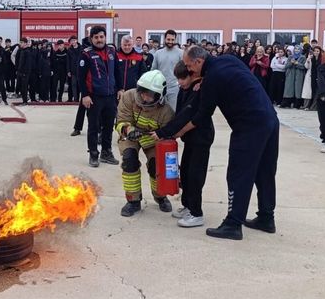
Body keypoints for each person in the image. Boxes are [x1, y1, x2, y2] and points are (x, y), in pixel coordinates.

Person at [181, 46, 278, 241]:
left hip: (249, 126)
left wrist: (178, 131)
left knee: (238, 173)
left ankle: (233, 224)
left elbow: (202, 115)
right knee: (264, 171)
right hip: (270, 119)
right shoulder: (228, 60)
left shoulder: (212, 79)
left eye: (189, 69)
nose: (188, 73)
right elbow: (231, 78)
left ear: (199, 62)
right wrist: (203, 80)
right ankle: (266, 217)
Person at [152, 61, 215, 228]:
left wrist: (162, 132)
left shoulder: (200, 90)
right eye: (178, 79)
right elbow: (179, 112)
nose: (180, 82)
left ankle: (196, 213)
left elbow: (186, 114)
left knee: (195, 175)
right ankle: (187, 205)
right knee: (185, 172)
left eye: (183, 78)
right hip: (190, 139)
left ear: (193, 75)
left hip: (201, 138)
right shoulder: (184, 89)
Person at [113, 70, 174, 216]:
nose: (145, 97)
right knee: (129, 160)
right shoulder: (128, 96)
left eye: (151, 94)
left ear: (160, 95)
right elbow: (120, 122)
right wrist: (128, 130)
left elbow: (168, 136)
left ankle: (160, 196)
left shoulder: (166, 111)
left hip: (153, 140)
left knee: (156, 166)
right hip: (131, 136)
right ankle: (133, 201)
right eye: (143, 92)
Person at [79, 26, 120, 167]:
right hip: (94, 97)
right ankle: (93, 154)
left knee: (109, 126)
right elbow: (80, 77)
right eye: (96, 37)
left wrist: (120, 89)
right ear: (91, 39)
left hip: (110, 96)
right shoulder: (86, 54)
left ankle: (106, 153)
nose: (99, 40)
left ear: (105, 37)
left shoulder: (112, 51)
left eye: (101, 37)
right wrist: (85, 95)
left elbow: (117, 71)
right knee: (94, 127)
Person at [150, 29, 183, 110]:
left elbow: (184, 71)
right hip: (160, 88)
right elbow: (153, 70)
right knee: (159, 111)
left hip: (175, 88)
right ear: (165, 39)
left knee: (173, 112)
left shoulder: (181, 53)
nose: (170, 41)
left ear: (175, 40)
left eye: (172, 39)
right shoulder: (158, 53)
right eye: (168, 39)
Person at [67, 36, 81, 103]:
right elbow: (68, 61)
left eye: (74, 40)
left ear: (76, 40)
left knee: (80, 85)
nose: (73, 42)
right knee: (74, 85)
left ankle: (81, 98)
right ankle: (75, 99)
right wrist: (68, 70)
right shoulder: (69, 50)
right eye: (71, 41)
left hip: (81, 70)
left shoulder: (81, 48)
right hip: (73, 70)